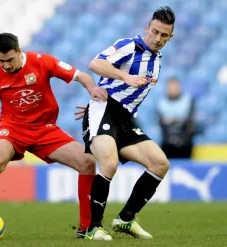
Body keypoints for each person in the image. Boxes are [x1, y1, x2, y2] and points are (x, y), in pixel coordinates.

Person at [0, 33, 108, 238]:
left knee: (87, 162)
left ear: (19, 51)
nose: (6, 66)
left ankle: (85, 228)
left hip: (45, 129)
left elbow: (82, 76)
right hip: (13, 128)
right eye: (1, 60)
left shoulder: (42, 62)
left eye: (9, 60)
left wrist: (92, 89)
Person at [75, 6, 175, 240]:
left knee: (160, 163)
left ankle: (126, 218)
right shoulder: (130, 45)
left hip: (124, 118)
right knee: (109, 164)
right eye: (155, 32)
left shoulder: (156, 58)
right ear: (147, 28)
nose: (158, 38)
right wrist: (124, 77)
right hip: (105, 109)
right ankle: (93, 228)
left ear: (171, 37)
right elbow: (96, 64)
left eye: (164, 35)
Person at [158, 77, 195, 158]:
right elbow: (161, 122)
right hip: (167, 143)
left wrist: (172, 121)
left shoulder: (188, 100)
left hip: (185, 143)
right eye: (171, 87)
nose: (173, 89)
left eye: (175, 87)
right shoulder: (162, 102)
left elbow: (190, 121)